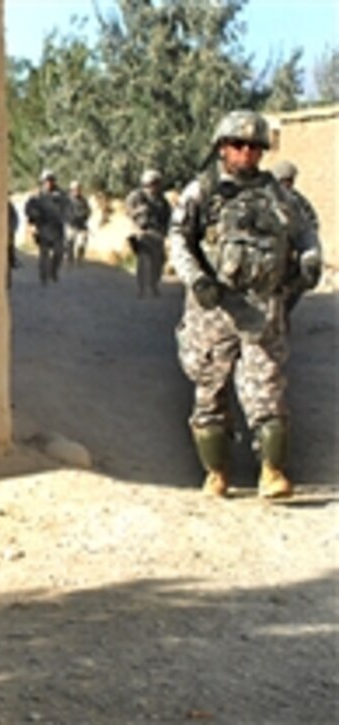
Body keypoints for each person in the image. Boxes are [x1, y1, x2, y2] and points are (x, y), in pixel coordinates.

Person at [170, 110, 321, 499]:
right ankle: (217, 473)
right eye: (239, 145)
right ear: (222, 147)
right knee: (210, 389)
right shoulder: (201, 191)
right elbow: (180, 239)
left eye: (255, 147)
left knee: (267, 388)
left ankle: (272, 472)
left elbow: (306, 232)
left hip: (262, 306)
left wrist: (309, 259)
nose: (247, 153)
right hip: (213, 308)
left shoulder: (280, 196)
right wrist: (197, 279)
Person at [271, 160, 320, 317]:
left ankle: (284, 313)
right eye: (283, 180)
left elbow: (311, 224)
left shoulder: (298, 202)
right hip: (269, 251)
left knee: (298, 281)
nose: (287, 184)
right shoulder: (264, 196)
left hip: (291, 252)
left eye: (289, 181)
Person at [126, 169, 172, 298]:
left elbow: (167, 216)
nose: (153, 187)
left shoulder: (162, 201)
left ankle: (153, 286)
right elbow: (129, 212)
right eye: (151, 183)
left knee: (158, 262)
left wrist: (165, 233)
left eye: (156, 183)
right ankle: (141, 288)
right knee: (143, 262)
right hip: (142, 233)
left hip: (157, 234)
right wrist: (139, 212)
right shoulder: (137, 196)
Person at [24, 169, 70, 285]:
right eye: (46, 181)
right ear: (42, 182)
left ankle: (53, 272)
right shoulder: (37, 196)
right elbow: (29, 209)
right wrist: (33, 219)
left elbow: (68, 208)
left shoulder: (61, 195)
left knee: (59, 253)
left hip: (57, 230)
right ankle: (44, 277)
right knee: (44, 255)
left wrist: (66, 218)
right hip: (43, 229)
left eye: (50, 180)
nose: (48, 183)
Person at [65, 180, 91, 264]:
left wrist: (84, 215)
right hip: (71, 224)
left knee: (82, 241)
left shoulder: (83, 200)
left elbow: (88, 211)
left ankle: (80, 258)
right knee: (70, 240)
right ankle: (69, 257)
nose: (76, 191)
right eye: (74, 189)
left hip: (81, 225)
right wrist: (72, 217)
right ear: (71, 190)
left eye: (78, 189)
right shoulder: (67, 200)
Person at [7, 198, 20, 288]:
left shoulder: (8, 205)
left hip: (8, 233)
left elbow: (15, 219)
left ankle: (13, 260)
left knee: (9, 254)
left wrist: (11, 229)